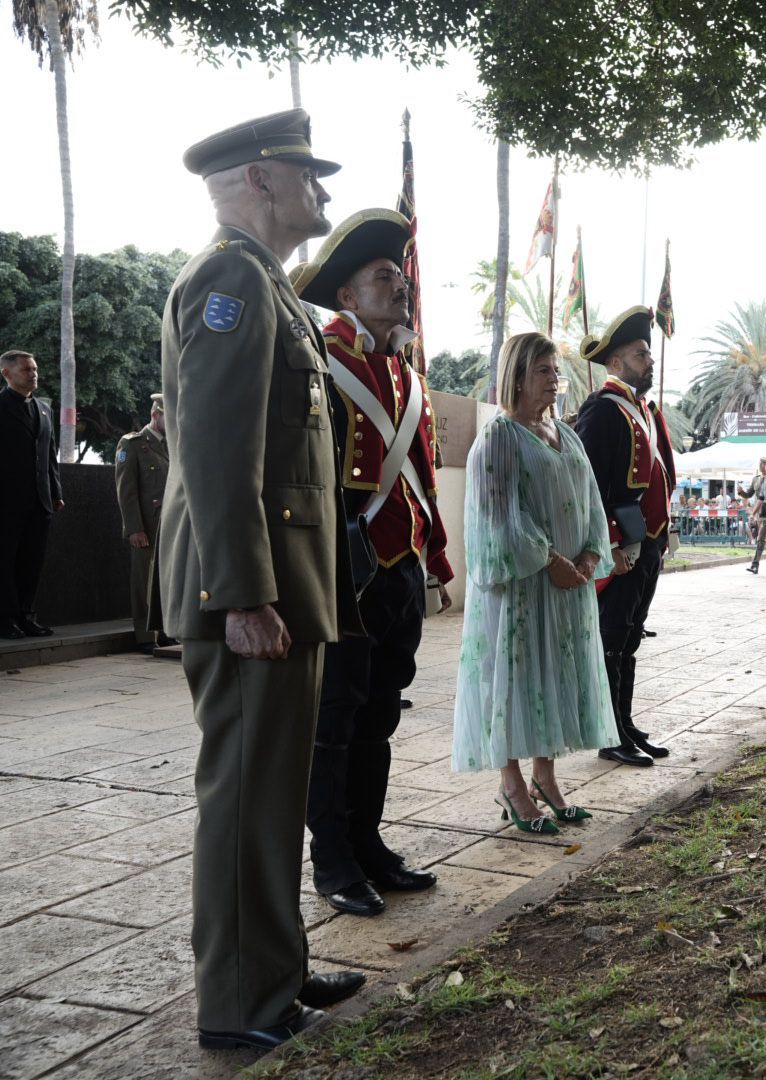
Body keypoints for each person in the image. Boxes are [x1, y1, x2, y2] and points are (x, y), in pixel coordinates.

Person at [163, 109, 366, 1051]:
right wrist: (243, 593)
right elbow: (214, 450)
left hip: (284, 587)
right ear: (258, 179)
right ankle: (241, 1006)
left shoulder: (265, 287)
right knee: (246, 798)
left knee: (272, 795)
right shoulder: (231, 283)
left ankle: (273, 972)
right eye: (307, 175)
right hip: (251, 593)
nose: (321, 192)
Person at [289, 209, 454, 918]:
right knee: (336, 719)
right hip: (342, 569)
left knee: (381, 713)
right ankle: (332, 860)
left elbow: (422, 470)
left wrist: (437, 557)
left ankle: (370, 842)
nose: (401, 287)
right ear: (348, 296)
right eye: (384, 277)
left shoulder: (404, 372)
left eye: (402, 276)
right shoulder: (322, 360)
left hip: (400, 566)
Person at [453, 332, 615, 832]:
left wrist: (590, 553)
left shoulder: (565, 434)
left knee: (555, 678)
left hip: (567, 585)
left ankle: (546, 777)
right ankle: (512, 784)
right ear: (517, 377)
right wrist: (550, 561)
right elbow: (498, 516)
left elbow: (591, 500)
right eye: (544, 370)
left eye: (555, 370)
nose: (554, 380)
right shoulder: (500, 436)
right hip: (523, 589)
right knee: (516, 681)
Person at [574, 306, 677, 766]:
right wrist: (609, 544)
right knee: (611, 637)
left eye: (649, 353)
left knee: (630, 637)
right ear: (615, 363)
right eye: (640, 353)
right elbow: (589, 483)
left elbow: (661, 477)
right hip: (621, 544)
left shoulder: (645, 410)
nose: (649, 360)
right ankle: (608, 732)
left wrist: (660, 536)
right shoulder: (602, 409)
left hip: (648, 541)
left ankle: (625, 722)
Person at [0, 350, 63, 639]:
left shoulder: (44, 409)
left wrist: (56, 492)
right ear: (6, 373)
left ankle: (26, 616)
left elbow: (49, 455)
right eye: (26, 369)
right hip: (7, 500)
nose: (33, 374)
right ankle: (5, 619)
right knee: (6, 560)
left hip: (40, 500)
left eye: (35, 368)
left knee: (32, 560)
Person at [114, 393, 175, 653]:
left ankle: (167, 630)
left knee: (168, 578)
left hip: (172, 523)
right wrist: (134, 528)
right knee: (144, 579)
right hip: (148, 525)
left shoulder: (175, 444)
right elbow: (126, 491)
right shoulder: (133, 444)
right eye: (168, 417)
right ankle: (146, 636)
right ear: (155, 414)